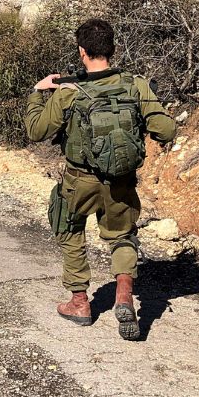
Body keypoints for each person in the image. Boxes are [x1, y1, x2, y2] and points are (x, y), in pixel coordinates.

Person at [24, 19, 175, 340]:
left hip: (79, 180)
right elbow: (166, 130)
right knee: (122, 236)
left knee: (69, 227)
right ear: (113, 49)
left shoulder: (69, 92)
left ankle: (79, 302)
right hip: (121, 180)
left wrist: (39, 92)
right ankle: (124, 296)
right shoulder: (135, 85)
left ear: (82, 52)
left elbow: (36, 130)